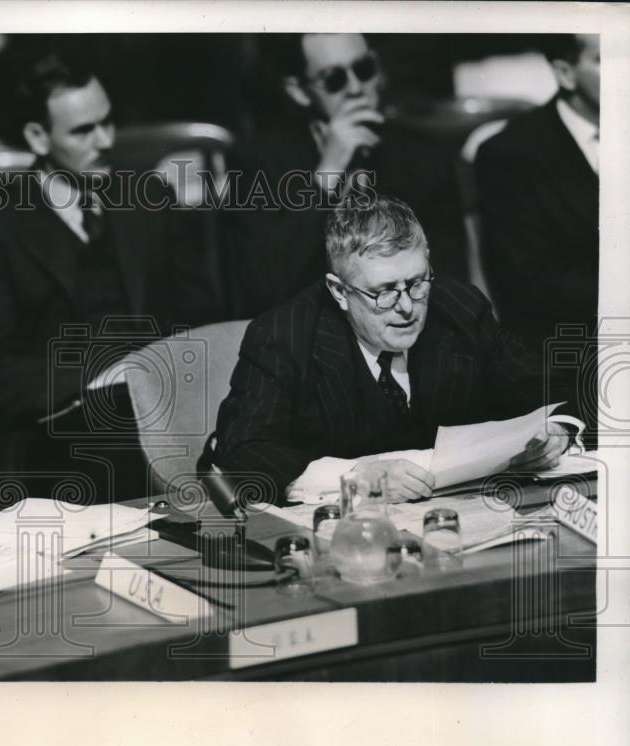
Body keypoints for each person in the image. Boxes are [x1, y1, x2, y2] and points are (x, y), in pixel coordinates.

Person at [0, 54, 217, 503]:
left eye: (108, 122)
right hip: (56, 430)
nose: (106, 140)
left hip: (164, 409)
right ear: (37, 136)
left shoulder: (148, 195)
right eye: (83, 131)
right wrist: (100, 375)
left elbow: (202, 316)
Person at [211, 196, 572, 506]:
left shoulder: (459, 309)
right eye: (383, 291)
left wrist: (554, 432)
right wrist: (354, 475)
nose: (406, 307)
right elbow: (243, 450)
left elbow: (547, 390)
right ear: (339, 291)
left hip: (456, 515)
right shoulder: (284, 335)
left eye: (416, 282)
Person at [229, 33, 467, 317]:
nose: (356, 88)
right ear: (299, 91)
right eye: (334, 79)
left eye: (364, 70)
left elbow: (451, 286)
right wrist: (327, 175)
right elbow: (267, 292)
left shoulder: (425, 157)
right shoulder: (260, 162)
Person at [475, 35, 599, 356]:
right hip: (576, 351)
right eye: (605, 60)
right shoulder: (509, 155)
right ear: (565, 73)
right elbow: (534, 285)